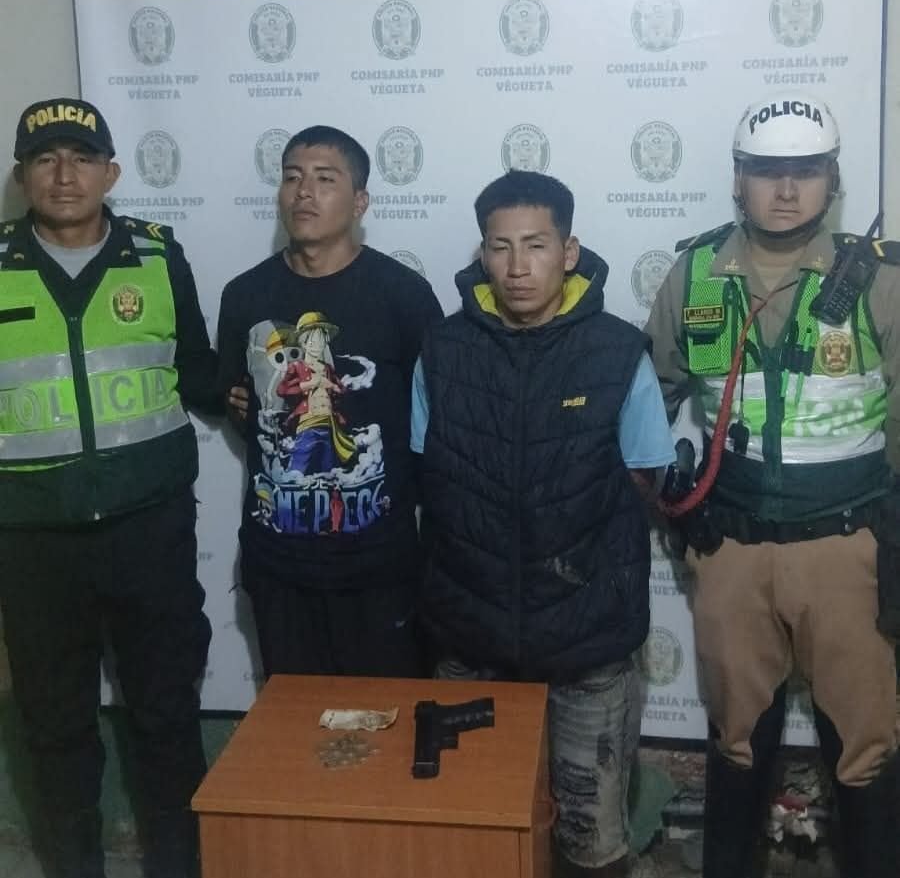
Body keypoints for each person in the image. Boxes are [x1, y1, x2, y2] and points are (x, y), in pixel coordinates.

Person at [644, 92, 900, 878]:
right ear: (737, 178)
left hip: (847, 551)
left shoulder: (880, 278)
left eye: (806, 171)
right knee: (735, 742)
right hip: (733, 551)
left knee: (865, 750)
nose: (786, 190)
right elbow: (644, 401)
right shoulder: (694, 273)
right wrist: (669, 504)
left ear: (832, 180)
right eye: (766, 171)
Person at [412, 169, 675, 878]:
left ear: (569, 251)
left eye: (535, 245)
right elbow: (427, 474)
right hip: (471, 638)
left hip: (587, 646)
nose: (517, 266)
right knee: (479, 831)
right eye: (500, 247)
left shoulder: (617, 352)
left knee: (591, 841)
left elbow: (643, 477)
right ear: (483, 253)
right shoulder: (443, 350)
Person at [0, 98, 220, 878]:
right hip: (33, 543)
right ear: (23, 176)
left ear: (111, 172)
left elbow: (199, 370)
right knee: (55, 727)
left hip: (147, 531)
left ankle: (179, 866)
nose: (65, 175)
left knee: (166, 715)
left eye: (82, 158)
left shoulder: (158, 257)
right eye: (46, 159)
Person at [216, 125, 443, 680]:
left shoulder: (403, 295)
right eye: (292, 177)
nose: (304, 192)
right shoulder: (245, 295)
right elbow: (238, 401)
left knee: (389, 717)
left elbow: (436, 417)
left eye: (324, 179)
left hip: (379, 563)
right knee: (295, 719)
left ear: (359, 201)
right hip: (279, 562)